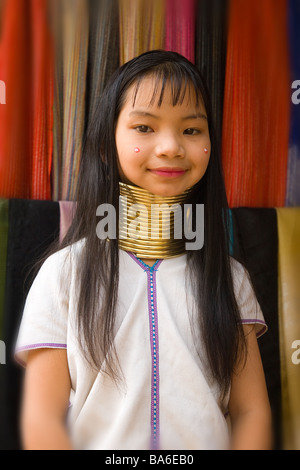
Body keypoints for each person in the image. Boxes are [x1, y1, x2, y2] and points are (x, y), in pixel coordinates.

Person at [15, 50, 272, 450]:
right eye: (144, 127)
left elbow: (251, 412)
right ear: (105, 146)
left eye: (191, 130)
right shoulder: (62, 274)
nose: (171, 147)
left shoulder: (230, 278)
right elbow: (42, 419)